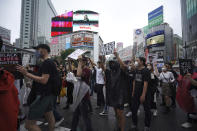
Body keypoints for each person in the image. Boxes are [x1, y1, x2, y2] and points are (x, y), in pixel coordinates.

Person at [16, 44, 58, 131]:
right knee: (50, 118)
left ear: (44, 50)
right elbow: (45, 80)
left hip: (43, 96)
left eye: (37, 50)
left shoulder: (47, 63)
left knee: (29, 125)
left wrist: (26, 73)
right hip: (47, 94)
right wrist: (27, 72)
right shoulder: (49, 62)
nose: (36, 52)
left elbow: (44, 80)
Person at [105, 51, 128, 131]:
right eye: (111, 63)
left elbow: (124, 66)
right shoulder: (110, 72)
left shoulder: (121, 71)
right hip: (113, 95)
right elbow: (103, 68)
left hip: (120, 95)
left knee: (120, 114)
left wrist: (117, 56)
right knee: (116, 114)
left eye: (113, 63)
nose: (112, 64)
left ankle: (122, 129)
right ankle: (118, 126)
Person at [70, 55, 93, 131]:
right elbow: (71, 72)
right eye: (79, 60)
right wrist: (69, 62)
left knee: (85, 116)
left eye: (81, 60)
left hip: (83, 96)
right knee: (75, 115)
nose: (79, 62)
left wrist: (79, 63)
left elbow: (79, 74)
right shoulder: (80, 68)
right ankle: (73, 129)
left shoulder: (87, 70)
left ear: (85, 61)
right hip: (78, 95)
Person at [131, 57, 151, 131]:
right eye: (135, 60)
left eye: (137, 61)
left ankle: (147, 126)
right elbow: (134, 81)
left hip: (144, 94)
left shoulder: (146, 71)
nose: (136, 62)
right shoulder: (135, 70)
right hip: (136, 93)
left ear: (142, 62)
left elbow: (146, 83)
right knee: (134, 109)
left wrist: (143, 95)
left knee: (147, 110)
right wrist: (133, 91)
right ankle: (134, 124)